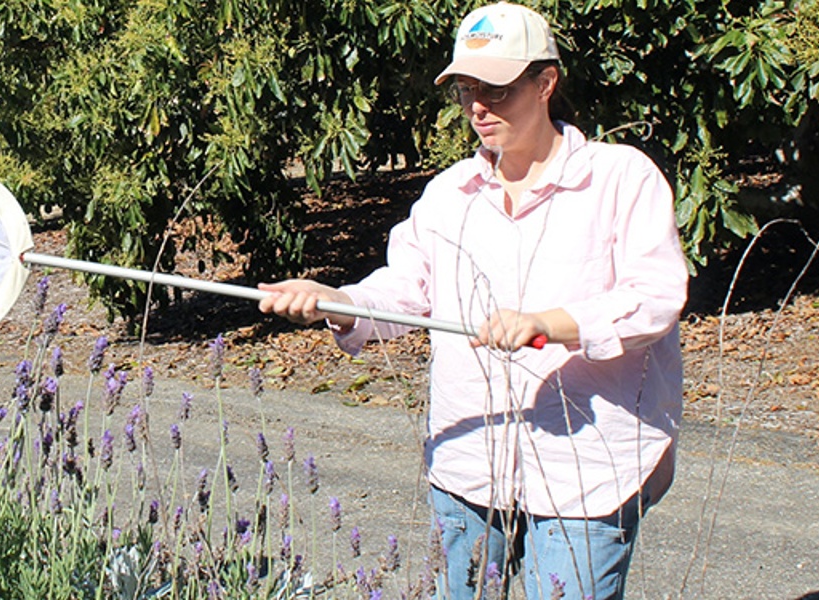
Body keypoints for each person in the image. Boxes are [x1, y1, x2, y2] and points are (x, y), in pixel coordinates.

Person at [257, 4, 687, 599]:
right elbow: (406, 289)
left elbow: (655, 298)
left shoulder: (620, 179)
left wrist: (547, 324)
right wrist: (338, 301)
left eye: (498, 89)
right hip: (468, 466)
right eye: (466, 91)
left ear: (545, 83)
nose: (479, 107)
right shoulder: (448, 196)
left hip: (586, 475)